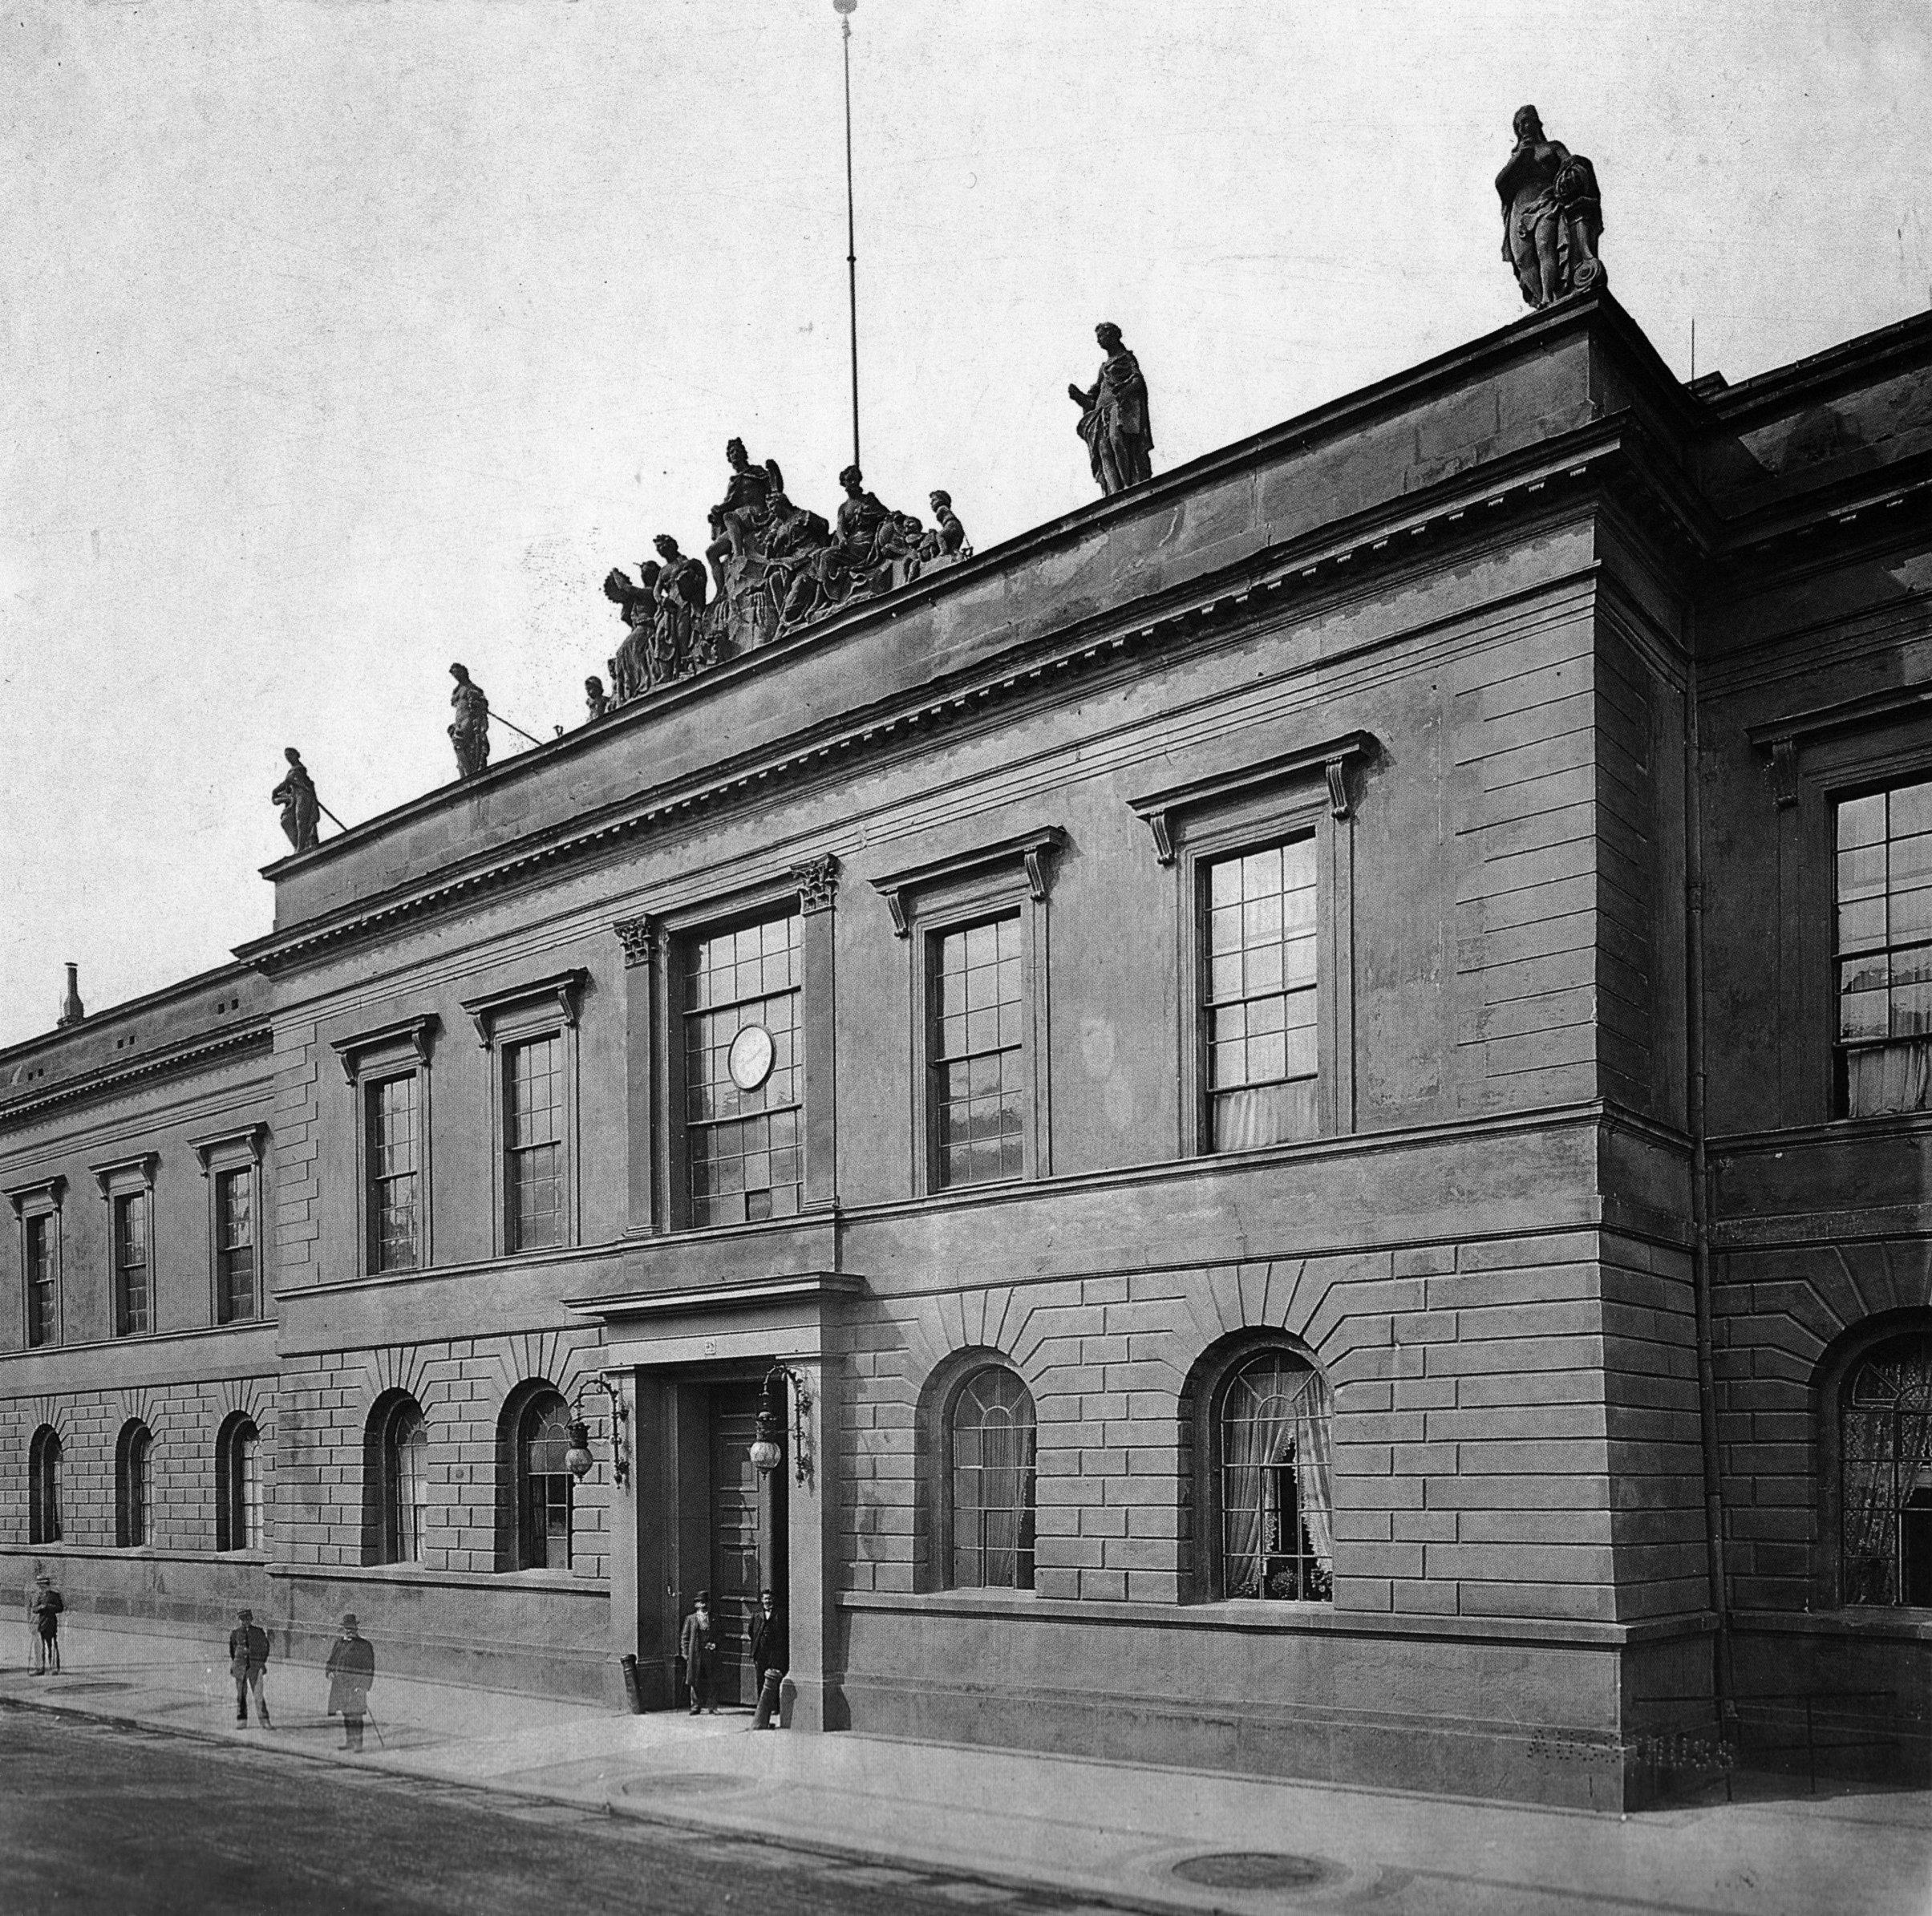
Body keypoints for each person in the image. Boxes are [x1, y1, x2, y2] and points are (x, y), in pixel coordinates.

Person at [1068, 322, 1154, 495]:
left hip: (1118, 407)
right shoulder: (1103, 368)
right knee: (1104, 451)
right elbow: (1093, 398)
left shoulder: (1126, 358)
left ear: (1113, 335)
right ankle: (1113, 493)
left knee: (1117, 440)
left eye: (1102, 336)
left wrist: (1124, 390)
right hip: (1100, 413)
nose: (1099, 341)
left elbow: (1138, 381)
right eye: (1098, 337)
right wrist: (1079, 397)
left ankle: (1130, 485)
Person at [324, 1612, 375, 1752]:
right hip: (341, 1685)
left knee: (356, 1715)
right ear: (344, 1629)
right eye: (347, 1628)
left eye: (352, 1628)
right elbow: (331, 1662)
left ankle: (358, 1744)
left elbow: (369, 1668)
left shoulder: (365, 1645)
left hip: (356, 1685)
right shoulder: (339, 1643)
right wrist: (330, 1672)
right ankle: (349, 1742)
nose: (350, 1631)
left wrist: (363, 1686)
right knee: (347, 1714)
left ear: (356, 1629)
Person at [270, 747, 321, 852]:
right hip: (295, 798)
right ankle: (300, 844)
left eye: (290, 754)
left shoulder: (299, 769)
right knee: (286, 821)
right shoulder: (292, 771)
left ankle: (301, 847)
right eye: (286, 755)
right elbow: (286, 784)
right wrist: (277, 792)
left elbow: (290, 782)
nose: (288, 757)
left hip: (303, 796)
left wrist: (278, 789)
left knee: (301, 821)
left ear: (296, 755)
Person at [751, 1589, 788, 1731]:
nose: (768, 1602)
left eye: (770, 1599)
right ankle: (761, 1708)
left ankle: (775, 1706)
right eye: (765, 1599)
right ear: (762, 1601)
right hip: (761, 1653)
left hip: (774, 1653)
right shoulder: (757, 1616)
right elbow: (751, 1632)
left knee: (774, 1680)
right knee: (760, 1680)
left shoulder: (780, 1615)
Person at [229, 1606, 271, 1728]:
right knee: (241, 1696)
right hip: (240, 1668)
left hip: (255, 1667)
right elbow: (232, 1650)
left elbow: (265, 1648)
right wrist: (236, 1663)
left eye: (247, 1619)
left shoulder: (258, 1632)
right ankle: (242, 1721)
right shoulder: (235, 1633)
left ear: (251, 1619)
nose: (245, 1622)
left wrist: (261, 1662)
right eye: (242, 1619)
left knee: (258, 1696)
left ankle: (264, 1721)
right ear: (239, 1620)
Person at [448, 663, 491, 779]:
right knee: (459, 746)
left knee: (458, 742)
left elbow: (482, 703)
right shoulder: (457, 691)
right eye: (454, 673)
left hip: (468, 719)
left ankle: (469, 774)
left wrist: (478, 705)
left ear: (463, 672)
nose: (455, 675)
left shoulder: (471, 687)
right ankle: (468, 773)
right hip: (459, 721)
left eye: (457, 672)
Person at [679, 1590, 718, 1715]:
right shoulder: (690, 1619)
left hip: (709, 1654)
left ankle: (712, 1706)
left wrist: (715, 1644)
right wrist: (685, 1654)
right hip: (695, 1653)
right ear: (696, 1605)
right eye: (701, 1603)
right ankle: (696, 1706)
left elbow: (719, 1635)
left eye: (705, 1602)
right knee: (694, 1680)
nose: (703, 1605)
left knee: (712, 1679)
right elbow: (685, 1638)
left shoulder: (713, 1618)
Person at [29, 1570, 63, 1676]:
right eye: (40, 1586)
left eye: (42, 1586)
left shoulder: (55, 1595)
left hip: (51, 1624)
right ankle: (40, 1668)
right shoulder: (39, 1596)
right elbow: (34, 1609)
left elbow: (60, 1608)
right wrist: (40, 1607)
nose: (41, 1588)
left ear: (47, 1585)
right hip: (41, 1624)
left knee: (52, 1646)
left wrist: (48, 1606)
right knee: (40, 1647)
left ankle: (54, 1668)